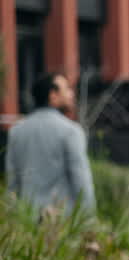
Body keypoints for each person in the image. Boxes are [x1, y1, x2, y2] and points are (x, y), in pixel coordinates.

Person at [4, 72, 96, 216]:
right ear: (52, 95)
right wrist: (88, 221)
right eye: (67, 89)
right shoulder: (71, 131)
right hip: (61, 224)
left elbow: (13, 183)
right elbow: (82, 182)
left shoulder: (16, 132)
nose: (72, 94)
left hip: (27, 222)